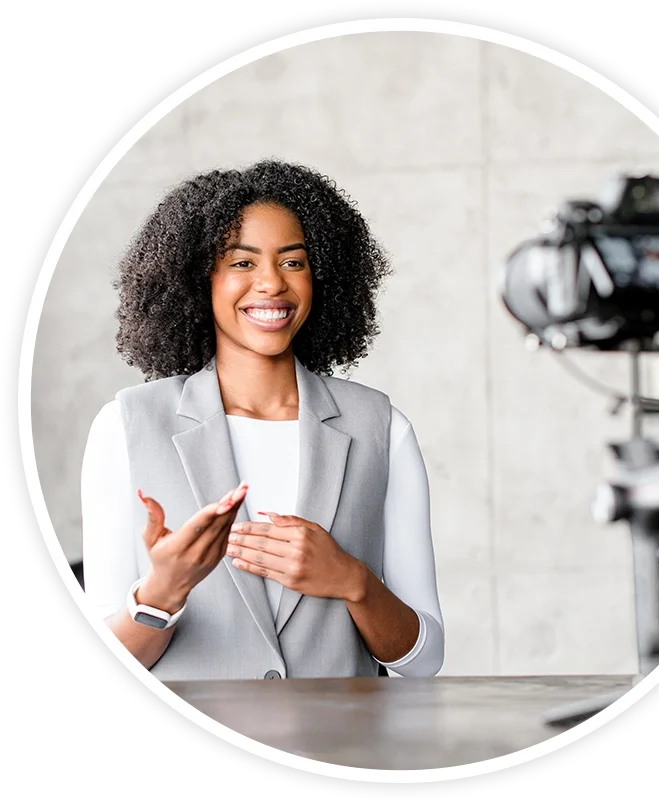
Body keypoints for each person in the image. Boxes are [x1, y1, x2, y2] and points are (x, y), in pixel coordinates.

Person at [80, 158, 444, 681]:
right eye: (242, 263)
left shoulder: (381, 427)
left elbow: (425, 661)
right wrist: (163, 591)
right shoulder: (125, 427)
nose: (272, 283)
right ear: (196, 278)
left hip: (343, 755)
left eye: (293, 262)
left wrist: (352, 580)